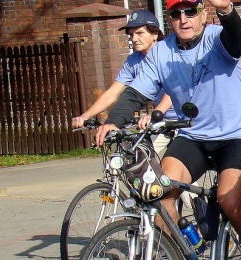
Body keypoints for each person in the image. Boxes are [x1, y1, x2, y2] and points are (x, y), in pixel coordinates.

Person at [94, 0, 241, 260]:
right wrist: (112, 121)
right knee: (161, 194)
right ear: (169, 19)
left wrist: (227, 11)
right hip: (194, 136)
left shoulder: (217, 38)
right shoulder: (161, 53)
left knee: (228, 201)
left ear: (202, 12)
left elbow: (235, 37)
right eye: (176, 13)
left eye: (190, 10)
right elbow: (134, 93)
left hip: (237, 134)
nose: (184, 18)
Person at [71, 10, 176, 154]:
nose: (134, 39)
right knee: (136, 158)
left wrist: (154, 113)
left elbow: (175, 89)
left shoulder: (168, 54)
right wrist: (86, 116)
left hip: (181, 119)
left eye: (139, 33)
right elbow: (113, 92)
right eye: (131, 34)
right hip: (159, 121)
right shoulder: (133, 61)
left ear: (154, 34)